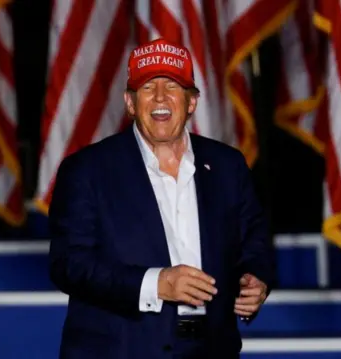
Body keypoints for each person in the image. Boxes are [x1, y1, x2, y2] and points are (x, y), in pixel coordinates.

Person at [48, 37, 275, 359]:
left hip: (212, 349)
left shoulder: (228, 165)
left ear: (191, 101)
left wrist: (256, 279)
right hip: (120, 350)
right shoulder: (87, 169)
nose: (159, 97)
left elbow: (255, 240)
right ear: (130, 102)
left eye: (171, 86)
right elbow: (68, 264)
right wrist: (156, 284)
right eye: (147, 87)